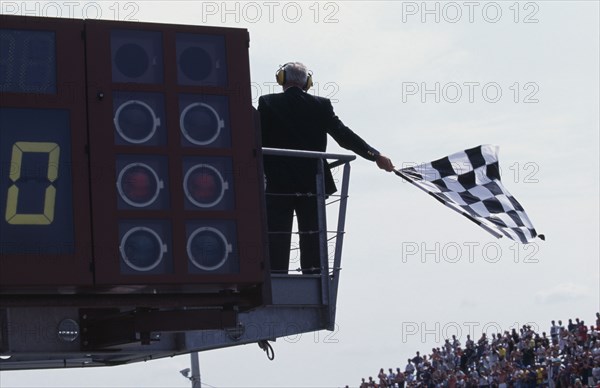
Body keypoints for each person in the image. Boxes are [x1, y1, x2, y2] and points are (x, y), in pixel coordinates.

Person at [258, 62, 394, 274]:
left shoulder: (267, 102)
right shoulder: (322, 105)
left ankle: (276, 276)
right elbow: (344, 136)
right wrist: (374, 155)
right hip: (313, 181)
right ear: (308, 83)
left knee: (277, 234)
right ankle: (313, 273)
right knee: (313, 232)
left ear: (282, 78)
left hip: (278, 182)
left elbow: (255, 138)